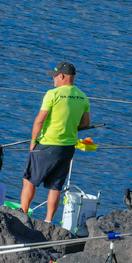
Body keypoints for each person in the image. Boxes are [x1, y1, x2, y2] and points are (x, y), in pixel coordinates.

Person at [19, 62, 93, 224]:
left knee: (30, 179)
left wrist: (33, 142)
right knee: (55, 185)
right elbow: (86, 123)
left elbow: (39, 121)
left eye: (54, 76)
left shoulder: (52, 94)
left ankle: (23, 216)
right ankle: (48, 221)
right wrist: (71, 126)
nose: (53, 79)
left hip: (47, 144)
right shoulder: (82, 96)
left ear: (61, 76)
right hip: (68, 147)